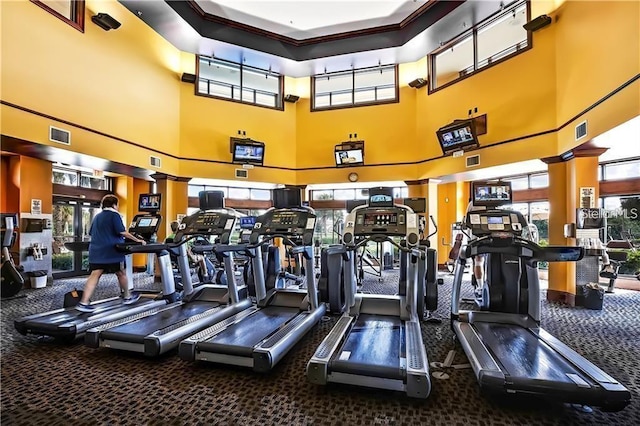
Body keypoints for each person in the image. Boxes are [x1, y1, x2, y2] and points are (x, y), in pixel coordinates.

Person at [76, 194, 146, 312]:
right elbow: (123, 232)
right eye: (118, 205)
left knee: (95, 274)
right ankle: (127, 296)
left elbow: (91, 232)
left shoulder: (97, 216)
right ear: (114, 205)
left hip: (96, 251)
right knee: (121, 273)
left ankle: (84, 301)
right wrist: (138, 240)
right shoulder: (114, 215)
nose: (118, 207)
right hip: (112, 251)